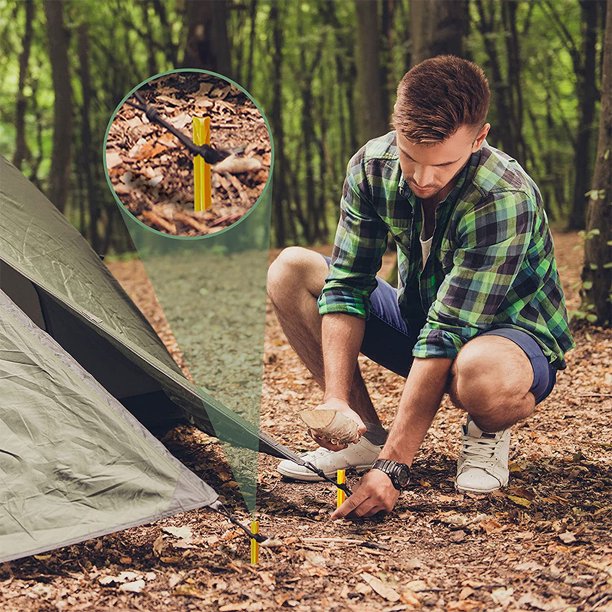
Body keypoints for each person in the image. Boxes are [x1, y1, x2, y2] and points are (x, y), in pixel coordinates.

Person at [267, 55, 574, 519]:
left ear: (479, 138)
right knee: (291, 269)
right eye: (411, 157)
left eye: (443, 164)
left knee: (481, 376)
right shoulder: (372, 167)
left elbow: (448, 330)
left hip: (509, 339)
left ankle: (486, 433)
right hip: (422, 318)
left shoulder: (503, 196)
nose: (423, 178)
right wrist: (335, 400)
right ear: (396, 126)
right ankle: (364, 439)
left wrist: (395, 468)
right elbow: (348, 284)